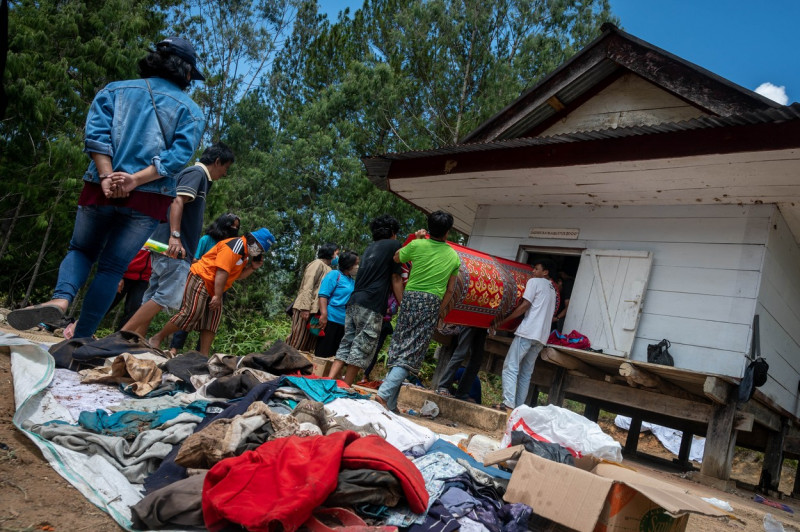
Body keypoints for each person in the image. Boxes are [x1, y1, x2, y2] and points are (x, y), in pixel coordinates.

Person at [8, 37, 205, 338]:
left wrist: (107, 176)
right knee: (112, 268)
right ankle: (80, 341)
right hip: (148, 198)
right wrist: (135, 180)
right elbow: (177, 157)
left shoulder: (115, 90)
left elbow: (96, 135)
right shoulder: (190, 111)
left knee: (81, 250)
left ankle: (61, 299)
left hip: (101, 187)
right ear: (186, 72)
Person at [122, 143, 235, 338]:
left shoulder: (197, 177)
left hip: (165, 246)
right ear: (217, 162)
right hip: (175, 248)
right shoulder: (197, 174)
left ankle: (136, 340)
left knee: (153, 295)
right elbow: (177, 200)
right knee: (168, 296)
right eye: (226, 168)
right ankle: (123, 335)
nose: (225, 174)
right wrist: (175, 237)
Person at [374, 211, 461, 412]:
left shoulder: (417, 244)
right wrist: (439, 310)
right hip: (431, 302)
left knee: (400, 346)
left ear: (429, 227)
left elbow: (396, 257)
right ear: (448, 232)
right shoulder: (453, 256)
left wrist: (418, 239)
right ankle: (384, 393)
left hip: (410, 297)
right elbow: (450, 289)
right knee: (412, 353)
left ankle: (391, 404)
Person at [149, 228, 275, 356]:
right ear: (252, 240)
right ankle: (157, 338)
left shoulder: (245, 255)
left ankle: (203, 355)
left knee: (212, 321)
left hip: (215, 286)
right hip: (202, 277)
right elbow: (222, 271)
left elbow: (236, 275)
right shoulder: (235, 246)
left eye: (261, 250)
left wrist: (252, 268)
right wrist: (217, 296)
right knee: (191, 313)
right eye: (259, 247)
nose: (258, 251)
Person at [328, 215, 404, 386]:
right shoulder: (394, 246)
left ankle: (330, 379)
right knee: (362, 345)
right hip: (372, 302)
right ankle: (346, 386)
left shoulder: (370, 248)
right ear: (393, 232)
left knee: (347, 341)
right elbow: (396, 278)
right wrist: (403, 304)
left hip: (354, 301)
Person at [490, 258, 557, 412]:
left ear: (545, 272)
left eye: (536, 269)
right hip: (541, 337)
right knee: (526, 372)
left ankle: (508, 403)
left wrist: (502, 321)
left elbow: (525, 306)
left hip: (528, 332)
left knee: (511, 366)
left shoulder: (534, 282)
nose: (533, 272)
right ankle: (518, 408)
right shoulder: (553, 289)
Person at [168, 212, 240, 355]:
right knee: (190, 314)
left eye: (236, 227)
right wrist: (213, 266)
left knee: (210, 321)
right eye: (231, 225)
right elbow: (194, 259)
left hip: (219, 287)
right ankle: (174, 348)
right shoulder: (207, 239)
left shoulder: (233, 246)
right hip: (200, 280)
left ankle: (200, 354)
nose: (234, 228)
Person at [287, 243, 339, 352]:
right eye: (336, 254)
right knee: (297, 339)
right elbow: (308, 285)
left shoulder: (329, 269)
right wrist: (305, 308)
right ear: (330, 253)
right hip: (306, 307)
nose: (337, 257)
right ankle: (284, 363)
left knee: (308, 342)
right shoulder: (317, 264)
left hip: (315, 309)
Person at [315, 251, 359, 358]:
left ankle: (330, 375)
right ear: (348, 264)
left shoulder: (352, 281)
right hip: (331, 320)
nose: (357, 267)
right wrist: (324, 315)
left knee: (336, 355)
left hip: (344, 323)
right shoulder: (335, 275)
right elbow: (323, 295)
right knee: (323, 352)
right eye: (356, 264)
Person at [436, 326, 488, 402]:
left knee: (477, 360)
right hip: (471, 320)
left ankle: (462, 394)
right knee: (461, 353)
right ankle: (443, 386)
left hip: (483, 324)